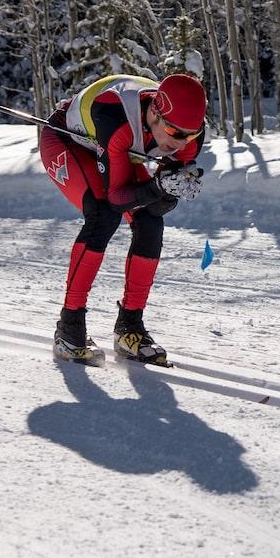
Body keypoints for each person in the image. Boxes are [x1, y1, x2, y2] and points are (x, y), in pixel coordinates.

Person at [39, 73, 208, 366]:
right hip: (68, 140)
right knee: (103, 215)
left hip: (116, 151)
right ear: (154, 112)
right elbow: (117, 197)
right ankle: (69, 329)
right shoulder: (115, 115)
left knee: (149, 222)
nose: (180, 143)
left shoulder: (190, 133)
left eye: (189, 135)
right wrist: (158, 186)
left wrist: (171, 189)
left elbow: (157, 207)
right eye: (174, 132)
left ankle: (130, 328)